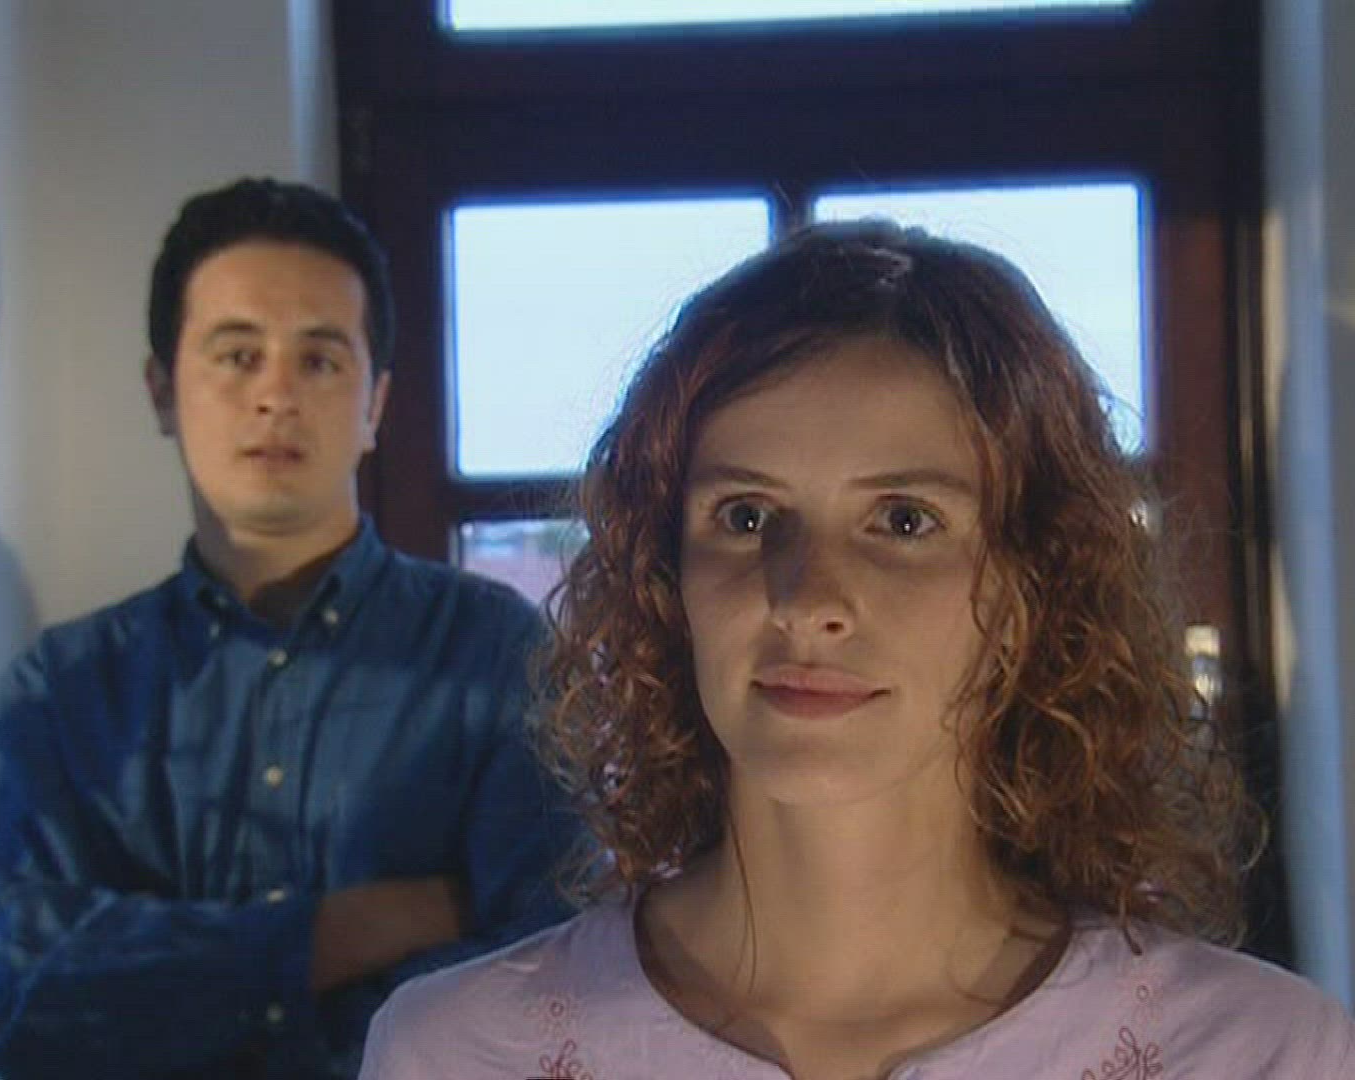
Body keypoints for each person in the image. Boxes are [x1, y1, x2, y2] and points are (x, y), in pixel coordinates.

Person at [357, 220, 1354, 1079]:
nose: (809, 601)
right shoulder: (454, 1054)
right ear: (668, 585)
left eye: (904, 521)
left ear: (1028, 594)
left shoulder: (1257, 1054)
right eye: (747, 516)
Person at [0, 178, 576, 1079]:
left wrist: (170, 980)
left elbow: (546, 986)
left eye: (319, 361)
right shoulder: (61, 692)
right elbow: (19, 1001)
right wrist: (346, 927)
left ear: (375, 405)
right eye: (238, 355)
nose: (276, 395)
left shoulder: (496, 658)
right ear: (162, 390)